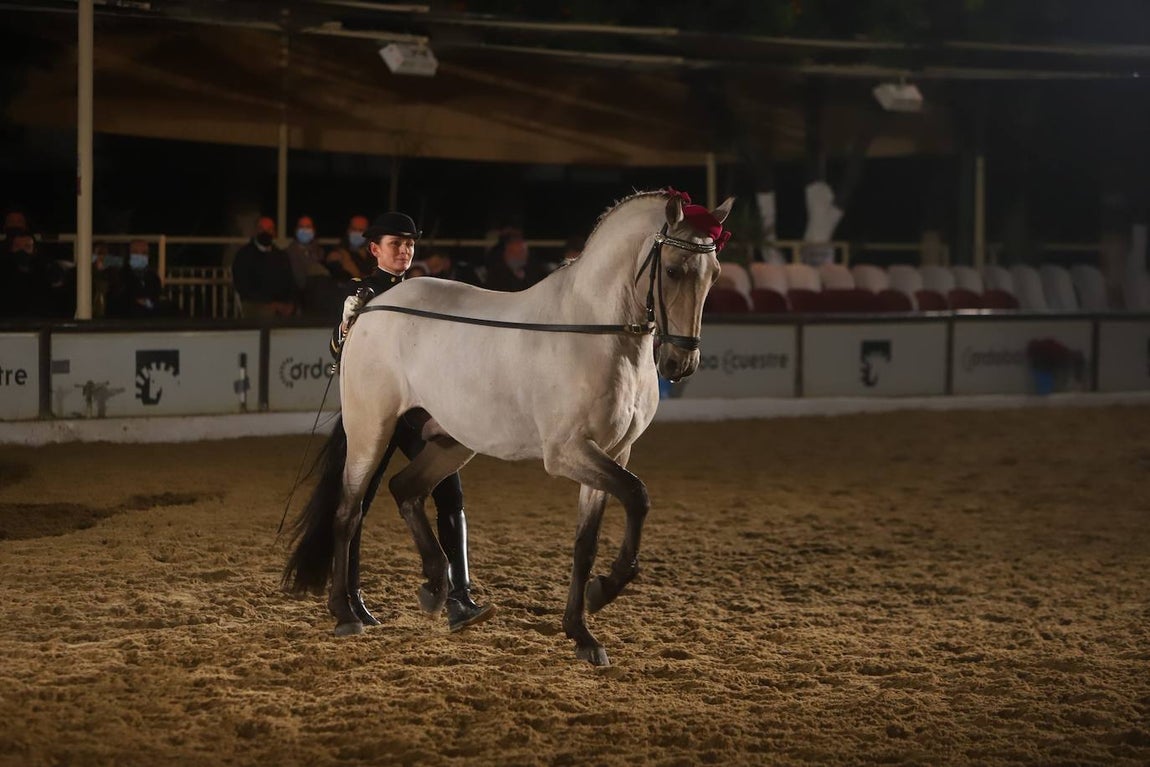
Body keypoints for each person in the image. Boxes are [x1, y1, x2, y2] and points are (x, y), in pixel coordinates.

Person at [331, 211, 494, 633]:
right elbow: (339, 352)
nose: (404, 250)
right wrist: (347, 324)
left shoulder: (426, 292)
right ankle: (347, 598)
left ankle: (460, 595)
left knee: (450, 491)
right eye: (395, 244)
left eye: (409, 244)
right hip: (379, 407)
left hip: (421, 409)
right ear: (374, 250)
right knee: (358, 503)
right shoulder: (364, 293)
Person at [231, 216, 297, 319]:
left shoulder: (281, 256)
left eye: (269, 229)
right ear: (255, 231)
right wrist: (270, 303)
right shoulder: (244, 255)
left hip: (280, 304)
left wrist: (289, 303)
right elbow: (242, 285)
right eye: (262, 229)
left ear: (274, 232)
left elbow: (290, 282)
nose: (266, 232)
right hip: (254, 304)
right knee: (267, 316)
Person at [106, 239, 167, 318]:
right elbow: (118, 301)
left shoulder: (153, 277)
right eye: (135, 252)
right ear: (129, 255)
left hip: (151, 320)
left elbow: (157, 299)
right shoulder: (120, 276)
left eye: (144, 253)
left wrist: (148, 303)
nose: (140, 256)